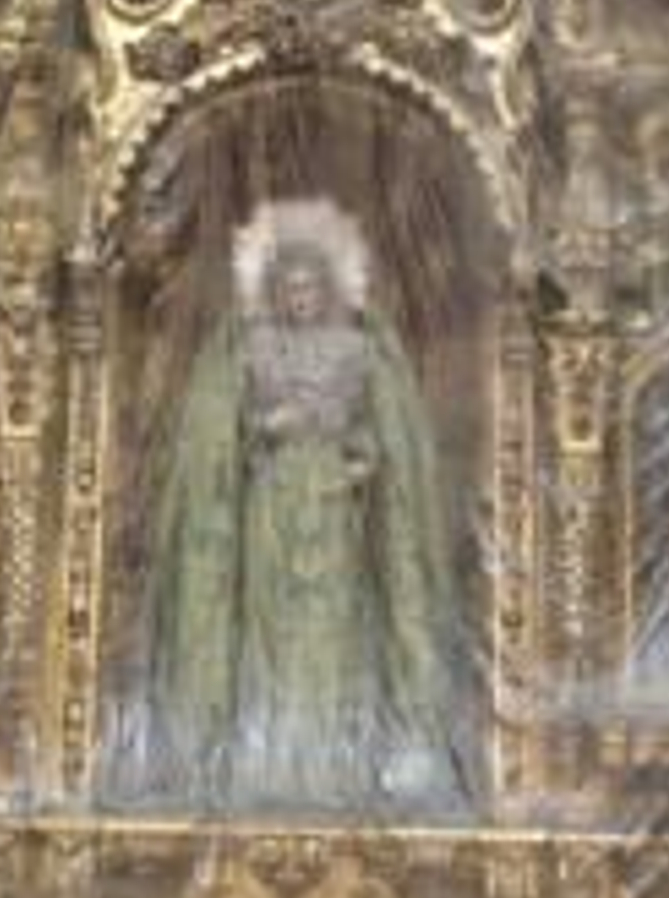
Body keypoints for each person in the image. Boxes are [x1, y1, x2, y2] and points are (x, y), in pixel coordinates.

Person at [111, 199, 467, 816]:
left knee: (331, 633)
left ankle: (331, 764)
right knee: (269, 630)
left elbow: (384, 441)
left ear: (329, 289)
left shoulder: (359, 351)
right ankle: (264, 761)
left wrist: (362, 460)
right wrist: (263, 428)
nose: (300, 298)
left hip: (333, 509)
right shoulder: (248, 349)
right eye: (288, 288)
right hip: (270, 504)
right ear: (273, 292)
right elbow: (218, 441)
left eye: (309, 288)